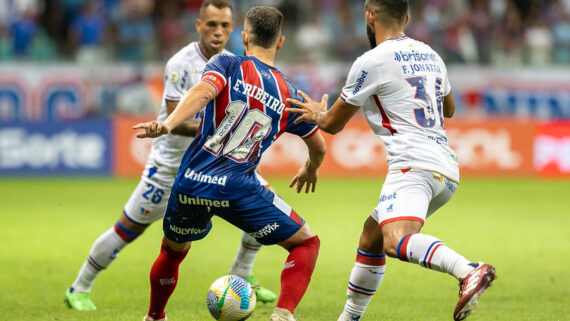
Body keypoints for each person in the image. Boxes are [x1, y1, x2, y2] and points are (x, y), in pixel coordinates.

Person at [286, 1, 497, 320]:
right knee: (371, 237)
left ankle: (467, 270)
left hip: (412, 165)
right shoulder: (431, 54)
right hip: (446, 168)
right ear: (407, 18)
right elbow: (449, 109)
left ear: (369, 17)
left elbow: (331, 124)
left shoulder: (371, 61)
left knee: (393, 241)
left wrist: (318, 113)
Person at [64, 0, 278, 311]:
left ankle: (242, 275)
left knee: (265, 206)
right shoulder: (181, 63)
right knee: (128, 229)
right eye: (211, 25)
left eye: (225, 26)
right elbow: (173, 122)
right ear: (198, 25)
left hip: (215, 163)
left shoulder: (236, 64)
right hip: (171, 168)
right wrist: (219, 128)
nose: (218, 32)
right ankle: (79, 287)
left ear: (234, 29)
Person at [134, 6, 326, 321]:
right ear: (280, 43)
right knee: (307, 243)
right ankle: (283, 314)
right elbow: (318, 146)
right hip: (239, 188)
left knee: (172, 251)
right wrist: (312, 167)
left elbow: (201, 93)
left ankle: (155, 316)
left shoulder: (226, 63)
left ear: (244, 36)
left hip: (193, 180)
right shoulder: (288, 93)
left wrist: (169, 124)